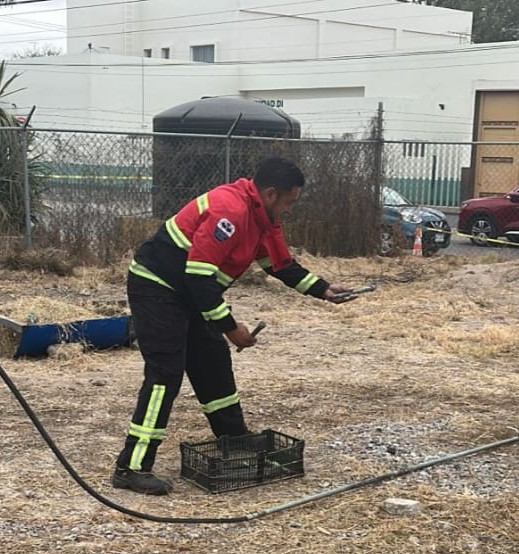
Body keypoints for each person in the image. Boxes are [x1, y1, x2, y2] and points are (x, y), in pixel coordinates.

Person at [112, 156, 357, 495]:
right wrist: (231, 328)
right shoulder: (231, 211)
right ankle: (132, 466)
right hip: (157, 287)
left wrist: (323, 289)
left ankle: (233, 436)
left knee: (212, 359)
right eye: (289, 202)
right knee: (165, 372)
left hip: (189, 293)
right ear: (271, 194)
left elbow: (281, 265)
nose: (290, 210)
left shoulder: (261, 219)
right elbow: (198, 280)